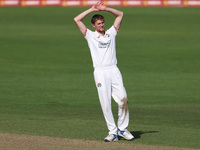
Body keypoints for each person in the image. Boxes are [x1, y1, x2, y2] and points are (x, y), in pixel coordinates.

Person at [74, 1, 134, 142]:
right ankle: (112, 132)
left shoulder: (111, 33)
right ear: (93, 25)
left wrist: (105, 9)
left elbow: (120, 15)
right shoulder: (90, 35)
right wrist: (91, 9)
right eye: (99, 24)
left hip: (114, 70)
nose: (102, 25)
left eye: (103, 23)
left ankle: (122, 129)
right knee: (105, 103)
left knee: (123, 100)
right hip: (100, 72)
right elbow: (76, 19)